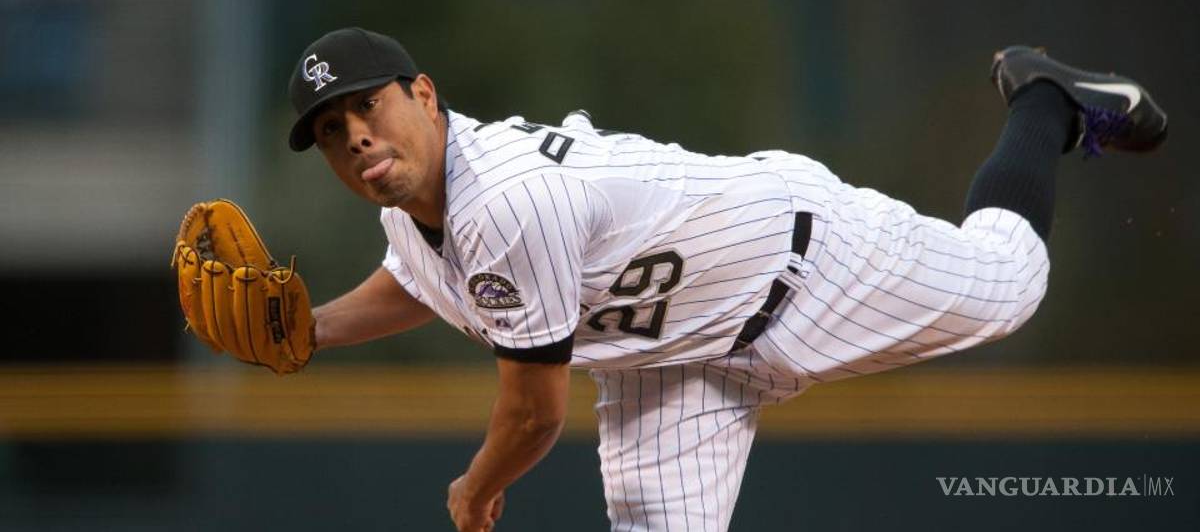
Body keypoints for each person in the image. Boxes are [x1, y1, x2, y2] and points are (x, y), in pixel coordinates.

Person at [285, 27, 1167, 532]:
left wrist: (476, 491)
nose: (356, 134)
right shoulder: (411, 206)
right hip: (671, 362)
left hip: (797, 263)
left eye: (369, 104)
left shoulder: (505, 201)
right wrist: (311, 330)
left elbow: (533, 414)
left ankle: (1043, 98)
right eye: (331, 129)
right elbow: (422, 281)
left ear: (425, 95)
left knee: (1011, 282)